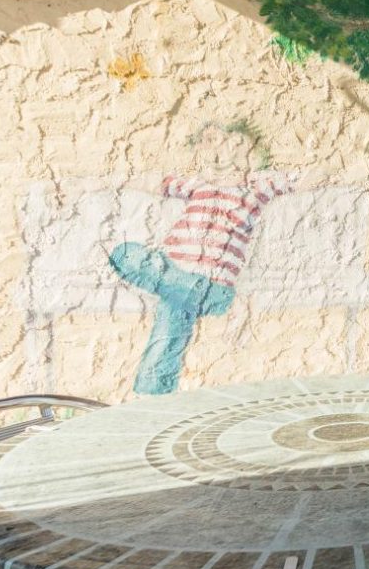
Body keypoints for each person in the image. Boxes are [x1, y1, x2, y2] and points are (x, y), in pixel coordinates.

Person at [109, 120, 296, 394]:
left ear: (239, 145)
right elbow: (154, 183)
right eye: (204, 144)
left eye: (214, 142)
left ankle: (149, 393)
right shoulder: (198, 186)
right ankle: (152, 394)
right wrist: (103, 182)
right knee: (125, 255)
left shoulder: (256, 188)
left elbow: (304, 178)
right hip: (178, 279)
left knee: (171, 314)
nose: (209, 151)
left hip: (212, 288)